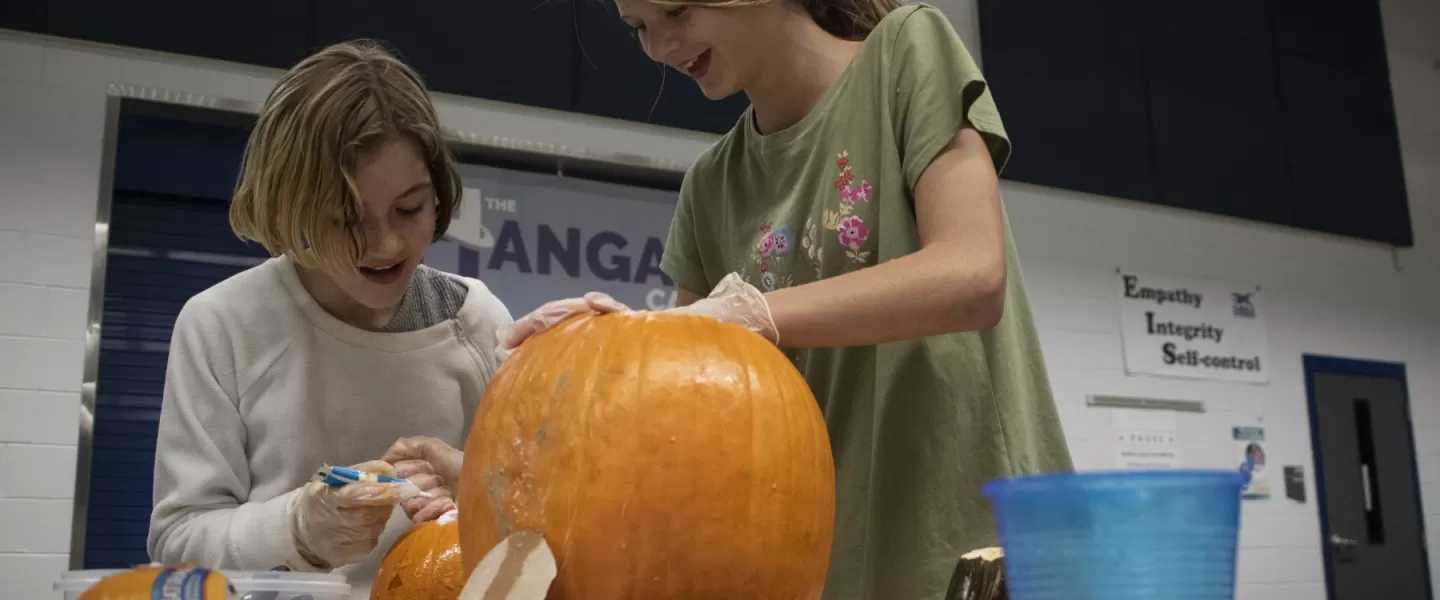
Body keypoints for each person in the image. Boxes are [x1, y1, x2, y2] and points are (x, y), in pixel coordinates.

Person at [493, 2, 1078, 599]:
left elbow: (971, 276)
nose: (659, 48)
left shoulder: (906, 49)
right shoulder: (711, 185)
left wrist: (752, 315)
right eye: (638, 28)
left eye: (674, 11)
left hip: (978, 547)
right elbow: (686, 425)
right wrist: (599, 353)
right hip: (824, 568)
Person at [145, 40, 512, 598]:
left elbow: (540, 517)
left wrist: (486, 491)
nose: (386, 243)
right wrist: (298, 526)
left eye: (410, 208)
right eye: (346, 219)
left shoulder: (475, 321)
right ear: (289, 205)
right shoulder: (222, 325)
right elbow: (178, 537)